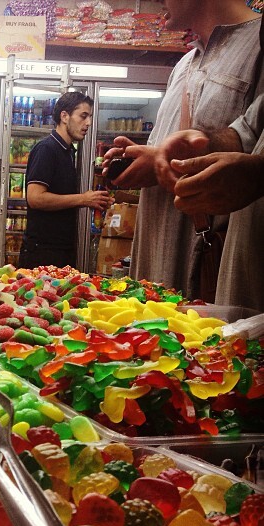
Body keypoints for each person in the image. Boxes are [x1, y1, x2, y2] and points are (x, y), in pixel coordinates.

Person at [102, 0, 262, 300]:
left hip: (209, 277)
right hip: (157, 272)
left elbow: (249, 150)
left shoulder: (257, 47)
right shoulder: (184, 64)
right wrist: (151, 160)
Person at [151, 92, 264, 310]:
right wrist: (205, 147)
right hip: (246, 266)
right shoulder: (182, 67)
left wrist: (258, 174)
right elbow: (249, 130)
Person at [18, 91, 112, 269]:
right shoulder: (47, 149)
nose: (88, 123)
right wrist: (84, 199)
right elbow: (35, 198)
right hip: (42, 253)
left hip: (60, 250)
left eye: (90, 117)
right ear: (64, 116)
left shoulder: (68, 152)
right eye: (83, 116)